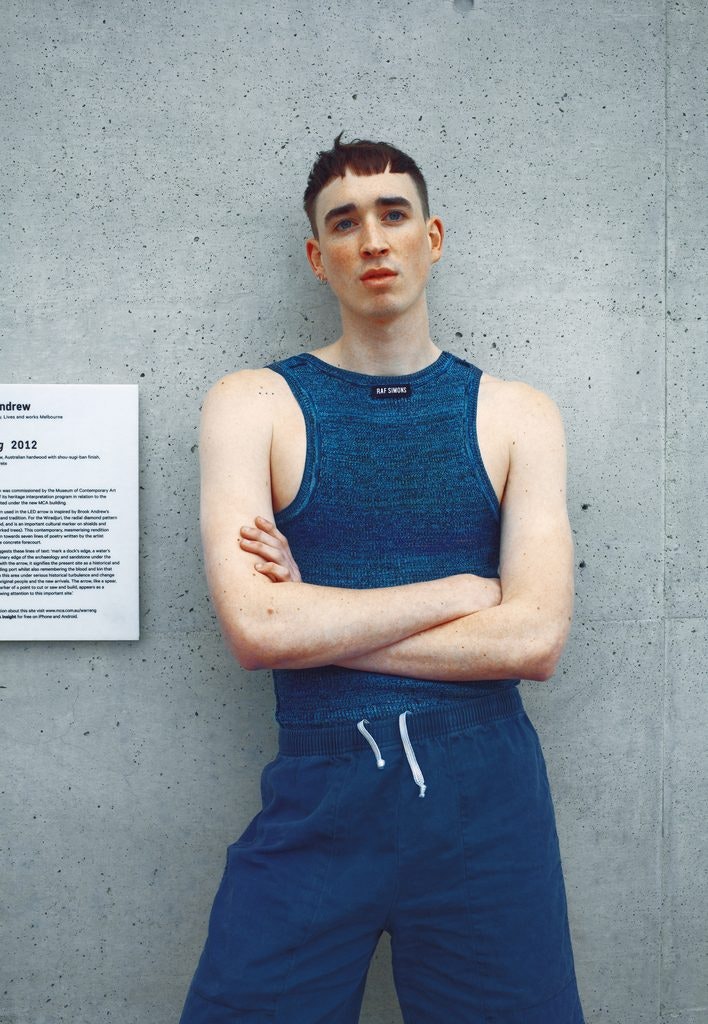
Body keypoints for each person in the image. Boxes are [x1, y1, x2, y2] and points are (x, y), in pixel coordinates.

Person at [180, 135, 584, 1023]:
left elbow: (537, 641)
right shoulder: (253, 404)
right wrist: (463, 594)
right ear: (316, 255)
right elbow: (260, 633)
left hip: (488, 807)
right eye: (345, 221)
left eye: (393, 214)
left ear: (431, 238)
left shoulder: (519, 415)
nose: (372, 238)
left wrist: (321, 616)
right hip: (321, 794)